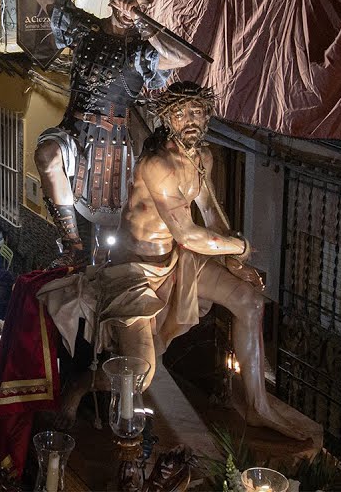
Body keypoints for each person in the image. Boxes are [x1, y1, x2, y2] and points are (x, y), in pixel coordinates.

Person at [0, 0, 218, 261]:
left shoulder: (142, 50)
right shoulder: (84, 30)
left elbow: (181, 57)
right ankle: (71, 242)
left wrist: (145, 25)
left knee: (120, 224)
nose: (134, 12)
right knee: (47, 155)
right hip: (73, 131)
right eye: (131, 4)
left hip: (116, 143)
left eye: (142, 9)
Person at [96, 82, 308, 439]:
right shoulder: (158, 164)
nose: (189, 119)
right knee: (142, 372)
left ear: (207, 114)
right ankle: (80, 388)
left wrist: (235, 264)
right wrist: (239, 249)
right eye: (180, 113)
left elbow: (211, 213)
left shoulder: (203, 157)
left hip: (177, 260)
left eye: (196, 111)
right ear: (167, 119)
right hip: (136, 269)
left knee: (250, 302)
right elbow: (187, 232)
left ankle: (258, 407)